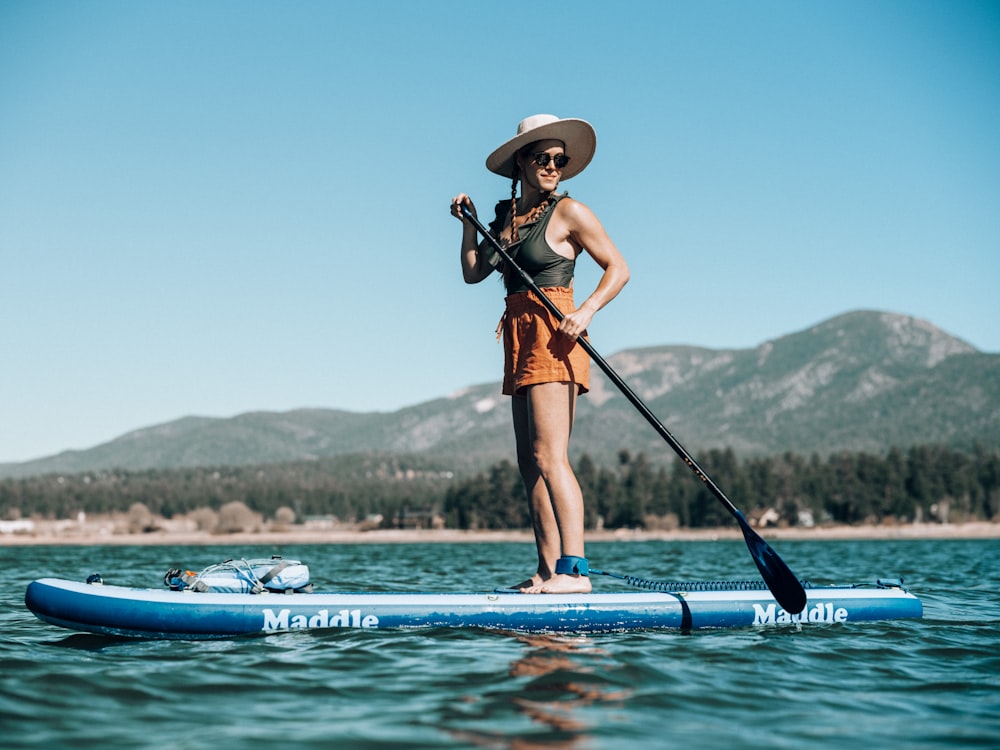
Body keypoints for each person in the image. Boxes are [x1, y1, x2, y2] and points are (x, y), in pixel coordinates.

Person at [450, 114, 630, 594]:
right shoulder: (506, 220)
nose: (554, 166)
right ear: (520, 164)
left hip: (557, 330)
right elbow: (473, 273)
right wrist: (468, 226)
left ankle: (575, 572)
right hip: (518, 332)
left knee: (552, 455)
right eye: (543, 158)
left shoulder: (570, 212)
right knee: (528, 460)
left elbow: (618, 268)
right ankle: (547, 569)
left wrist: (588, 310)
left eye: (560, 160)